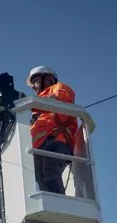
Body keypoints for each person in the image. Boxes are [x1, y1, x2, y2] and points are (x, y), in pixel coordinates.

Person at [26, 65, 78, 194]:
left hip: (57, 141)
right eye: (32, 83)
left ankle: (60, 205)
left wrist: (33, 103)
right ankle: (52, 204)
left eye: (36, 81)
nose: (33, 86)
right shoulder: (36, 107)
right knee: (41, 177)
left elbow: (62, 99)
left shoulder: (58, 88)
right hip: (40, 147)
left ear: (48, 78)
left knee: (50, 172)